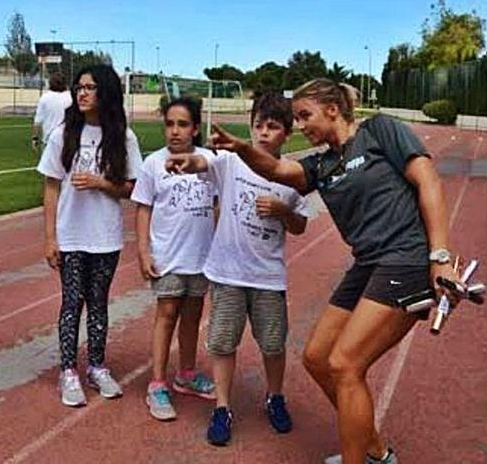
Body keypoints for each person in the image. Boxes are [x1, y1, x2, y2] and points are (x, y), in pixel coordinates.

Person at [191, 79, 457, 464]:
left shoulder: (380, 130)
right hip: (368, 263)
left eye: (305, 115)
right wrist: (243, 149)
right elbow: (278, 169)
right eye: (296, 118)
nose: (299, 125)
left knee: (346, 365)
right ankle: (376, 453)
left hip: (404, 258)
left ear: (332, 109)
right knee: (317, 358)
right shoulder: (322, 163)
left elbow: (428, 180)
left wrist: (440, 255)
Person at [166, 93, 309, 446]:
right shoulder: (231, 162)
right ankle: (222, 407)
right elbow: (203, 163)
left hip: (267, 276)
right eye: (258, 125)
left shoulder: (291, 176)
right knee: (222, 342)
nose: (263, 133)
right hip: (227, 273)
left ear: (286, 134)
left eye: (273, 127)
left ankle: (275, 397)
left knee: (273, 344)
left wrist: (282, 211)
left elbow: (300, 226)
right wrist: (185, 162)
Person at [37, 64, 143, 407]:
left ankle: (97, 366)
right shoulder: (62, 134)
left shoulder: (123, 138)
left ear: (106, 93)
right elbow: (51, 188)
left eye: (90, 87)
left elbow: (132, 188)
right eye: (79, 87)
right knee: (72, 303)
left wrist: (101, 183)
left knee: (98, 303)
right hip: (70, 236)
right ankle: (68, 371)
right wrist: (50, 238)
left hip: (105, 237)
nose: (82, 93)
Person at [131, 97, 217, 422]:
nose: (175, 131)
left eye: (183, 124)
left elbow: (219, 200)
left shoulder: (209, 161)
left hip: (201, 257)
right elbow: (143, 208)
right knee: (166, 315)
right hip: (168, 255)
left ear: (195, 128)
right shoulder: (153, 163)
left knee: (193, 316)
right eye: (169, 124)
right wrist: (143, 251)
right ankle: (157, 382)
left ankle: (186, 373)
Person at [32, 72, 73, 152]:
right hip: (67, 140)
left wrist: (35, 138)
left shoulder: (45, 98)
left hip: (49, 140)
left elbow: (37, 122)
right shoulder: (71, 97)